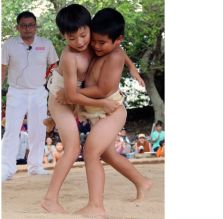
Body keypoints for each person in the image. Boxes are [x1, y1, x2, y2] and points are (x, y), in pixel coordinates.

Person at [41, 4, 151, 214]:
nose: (80, 42)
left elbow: (118, 48)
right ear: (64, 36)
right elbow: (71, 95)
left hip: (79, 98)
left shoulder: (94, 43)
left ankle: (141, 182)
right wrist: (102, 103)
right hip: (62, 96)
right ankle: (50, 199)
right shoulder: (70, 56)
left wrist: (132, 67)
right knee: (73, 148)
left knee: (107, 153)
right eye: (72, 38)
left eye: (84, 35)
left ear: (89, 29)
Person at [74, 8, 152, 217]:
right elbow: (123, 52)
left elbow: (103, 90)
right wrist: (133, 69)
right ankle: (142, 182)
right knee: (107, 154)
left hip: (112, 111)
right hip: (96, 112)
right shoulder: (101, 47)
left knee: (90, 151)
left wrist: (73, 93)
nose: (96, 47)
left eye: (102, 43)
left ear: (118, 40)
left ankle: (96, 206)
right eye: (94, 41)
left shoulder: (113, 56)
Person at [1, 11, 59, 182]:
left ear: (36, 26)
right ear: (17, 27)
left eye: (31, 25)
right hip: (16, 91)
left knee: (38, 129)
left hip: (38, 91)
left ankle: (35, 166)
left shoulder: (46, 44)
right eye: (24, 25)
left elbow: (54, 65)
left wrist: (50, 82)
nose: (28, 29)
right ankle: (6, 168)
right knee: (11, 130)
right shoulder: (9, 44)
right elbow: (2, 68)